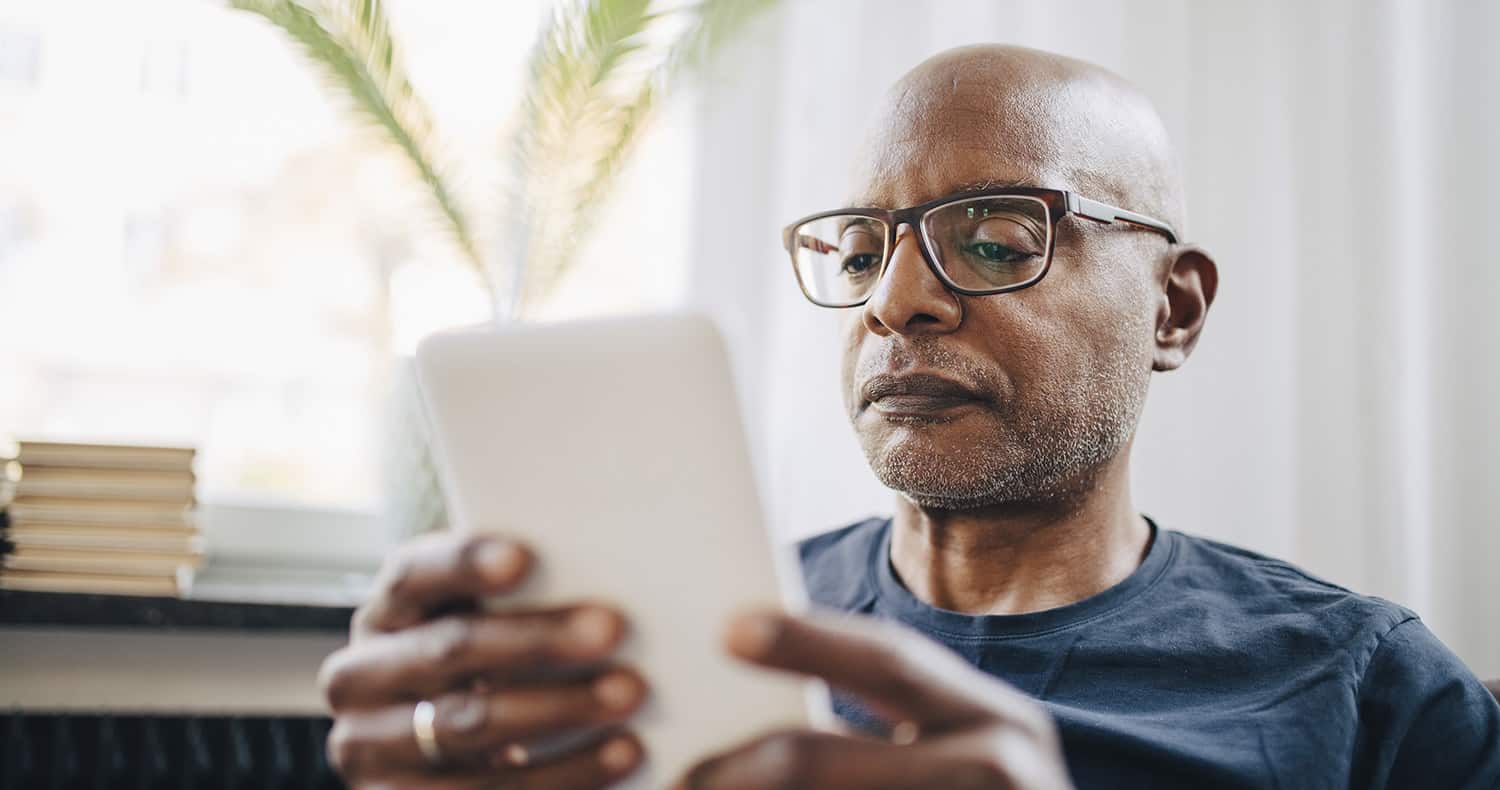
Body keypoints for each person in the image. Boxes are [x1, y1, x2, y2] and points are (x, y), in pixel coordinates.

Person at [316, 44, 1500, 789]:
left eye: (993, 238)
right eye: (863, 248)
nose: (896, 301)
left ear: (1173, 311)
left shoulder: (1368, 695)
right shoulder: (677, 642)